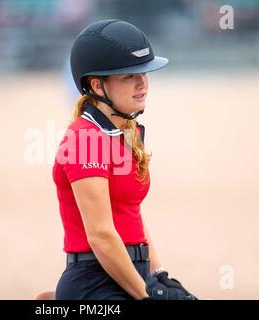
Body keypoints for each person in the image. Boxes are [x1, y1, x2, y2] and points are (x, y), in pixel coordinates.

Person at [52, 19, 196, 300]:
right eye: (129, 76)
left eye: (143, 73)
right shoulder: (85, 139)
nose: (142, 82)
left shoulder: (127, 133)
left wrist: (160, 276)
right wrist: (146, 296)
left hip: (131, 272)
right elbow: (101, 236)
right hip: (95, 284)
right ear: (97, 85)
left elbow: (132, 215)